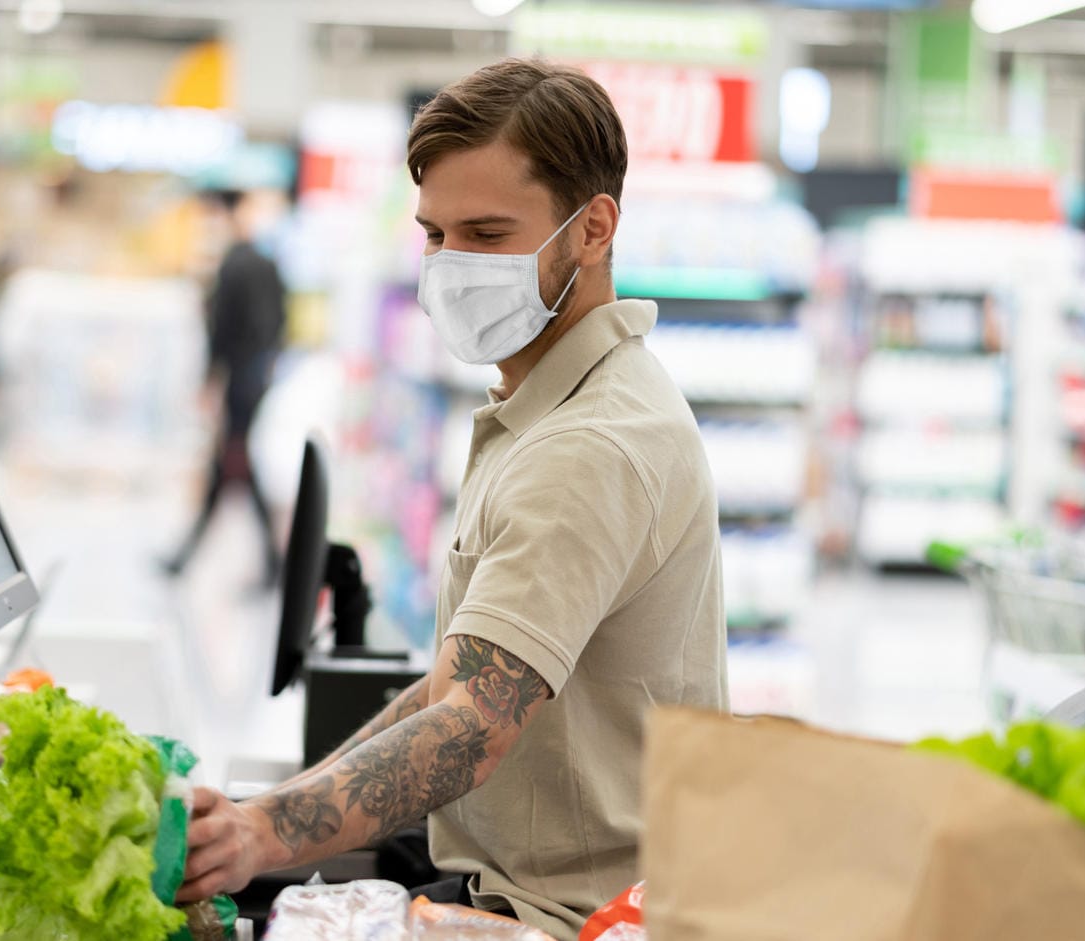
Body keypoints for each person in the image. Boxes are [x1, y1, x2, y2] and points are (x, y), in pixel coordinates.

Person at [177, 59, 727, 940]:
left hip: (563, 918)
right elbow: (451, 688)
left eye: (486, 232)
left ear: (592, 230)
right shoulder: (554, 403)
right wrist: (265, 814)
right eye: (436, 236)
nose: (452, 266)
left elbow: (472, 725)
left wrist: (259, 832)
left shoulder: (588, 444)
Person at [164, 189, 286, 587]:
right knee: (232, 467)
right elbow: (279, 324)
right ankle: (265, 561)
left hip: (239, 384)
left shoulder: (233, 265)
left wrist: (210, 382)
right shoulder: (267, 263)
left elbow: (220, 333)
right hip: (257, 382)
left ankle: (269, 561)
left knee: (234, 464)